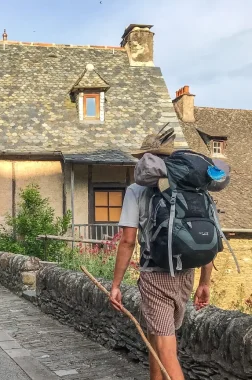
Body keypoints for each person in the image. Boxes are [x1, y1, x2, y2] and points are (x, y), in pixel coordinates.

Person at [110, 129, 215, 380]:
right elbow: (206, 236)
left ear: (146, 159)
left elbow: (127, 241)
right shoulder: (196, 190)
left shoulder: (136, 190)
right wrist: (204, 282)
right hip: (186, 273)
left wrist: (115, 285)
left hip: (156, 276)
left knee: (167, 351)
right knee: (157, 338)